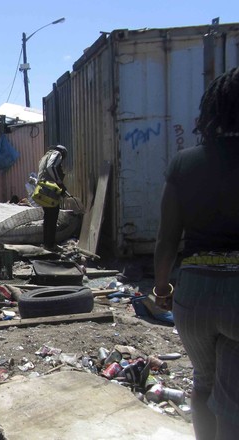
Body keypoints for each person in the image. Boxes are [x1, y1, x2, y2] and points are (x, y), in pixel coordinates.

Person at [153, 67, 239, 440]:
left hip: (194, 295)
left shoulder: (184, 163)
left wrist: (161, 290)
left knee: (203, 382)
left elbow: (166, 240)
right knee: (233, 399)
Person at [36, 145, 68, 249]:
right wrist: (59, 183)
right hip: (50, 190)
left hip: (41, 190)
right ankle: (50, 244)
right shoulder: (56, 154)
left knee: (48, 217)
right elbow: (51, 167)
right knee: (53, 216)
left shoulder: (44, 157)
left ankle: (46, 243)